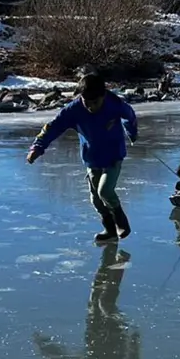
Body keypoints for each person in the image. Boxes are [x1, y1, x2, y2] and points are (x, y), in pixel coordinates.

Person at [26, 73, 138, 242]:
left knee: (105, 191)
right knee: (95, 199)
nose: (91, 107)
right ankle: (109, 230)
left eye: (96, 102)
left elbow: (130, 115)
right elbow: (53, 127)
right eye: (87, 102)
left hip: (114, 155)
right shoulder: (74, 110)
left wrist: (132, 132)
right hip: (92, 158)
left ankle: (121, 222)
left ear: (103, 95)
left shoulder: (114, 104)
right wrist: (38, 146)